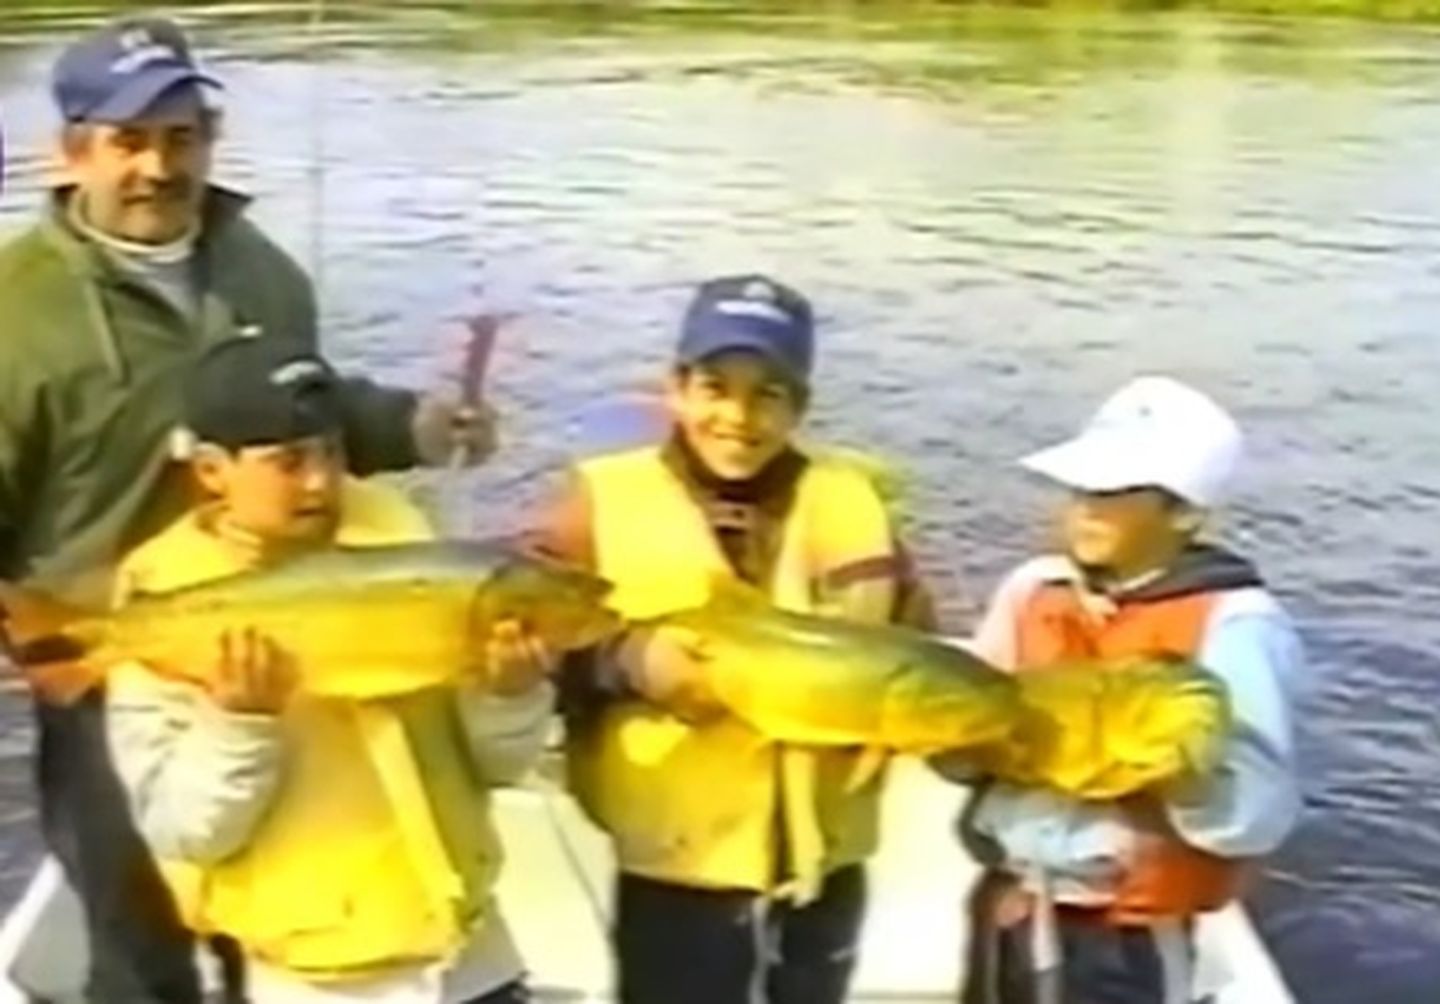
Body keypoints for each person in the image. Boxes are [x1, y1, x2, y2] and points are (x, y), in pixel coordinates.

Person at [0, 15, 496, 1003]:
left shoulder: (263, 269)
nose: (157, 166)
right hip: (113, 664)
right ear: (74, 152)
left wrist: (420, 424)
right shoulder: (18, 311)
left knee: (263, 918)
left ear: (210, 140)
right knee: (137, 940)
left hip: (283, 638)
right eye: (129, 140)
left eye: (181, 137)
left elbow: (307, 412)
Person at [525, 274, 936, 1004]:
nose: (738, 417)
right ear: (676, 391)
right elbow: (528, 636)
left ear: (800, 406)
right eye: (716, 387)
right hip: (678, 867)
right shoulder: (596, 501)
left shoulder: (851, 502)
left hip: (823, 868)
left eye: (768, 394)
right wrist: (628, 661)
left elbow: (917, 641)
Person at [104, 336, 552, 1004]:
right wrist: (238, 725)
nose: (319, 481)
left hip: (471, 951)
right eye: (288, 461)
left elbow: (497, 769)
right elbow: (186, 831)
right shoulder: (162, 603)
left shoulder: (401, 537)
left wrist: (510, 697)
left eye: (332, 452)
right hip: (318, 976)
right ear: (211, 470)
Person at [950, 376, 1304, 1004]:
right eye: (1082, 487)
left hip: (1125, 932)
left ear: (1183, 512)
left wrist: (1180, 772)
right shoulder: (1033, 588)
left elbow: (1257, 811)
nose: (1086, 506)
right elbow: (966, 712)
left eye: (1115, 492)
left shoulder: (1238, 625)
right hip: (1012, 901)